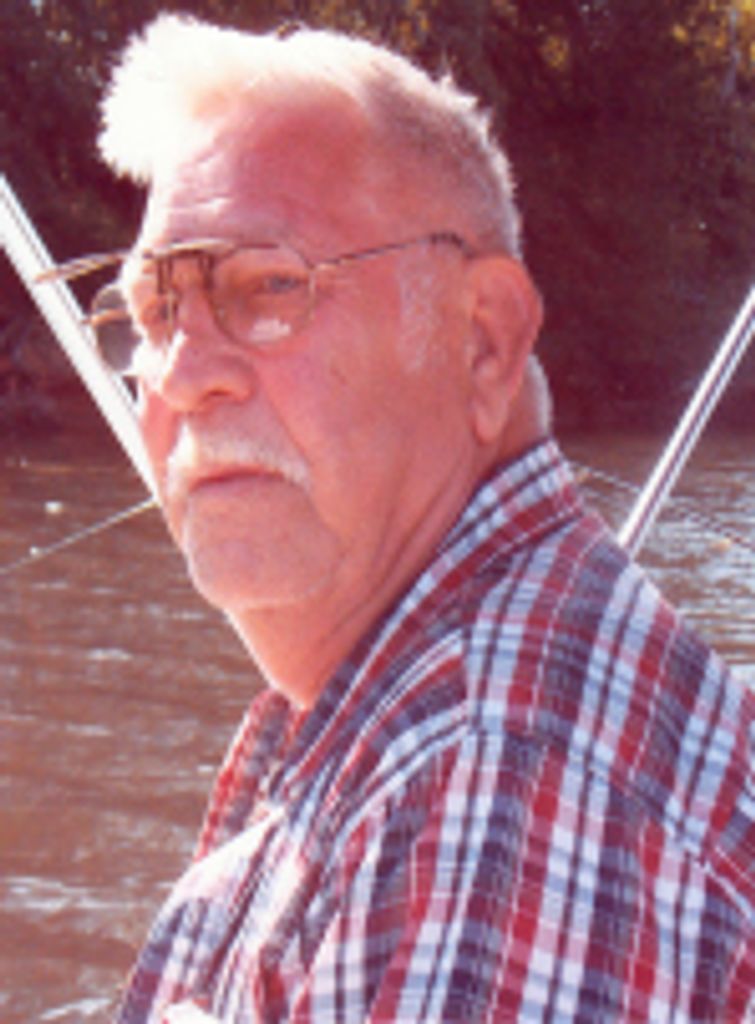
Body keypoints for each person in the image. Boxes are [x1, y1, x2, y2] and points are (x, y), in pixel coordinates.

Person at [47, 15, 753, 1022]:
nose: (182, 376)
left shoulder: (499, 780)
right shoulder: (392, 717)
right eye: (157, 311)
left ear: (483, 343)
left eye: (269, 285)